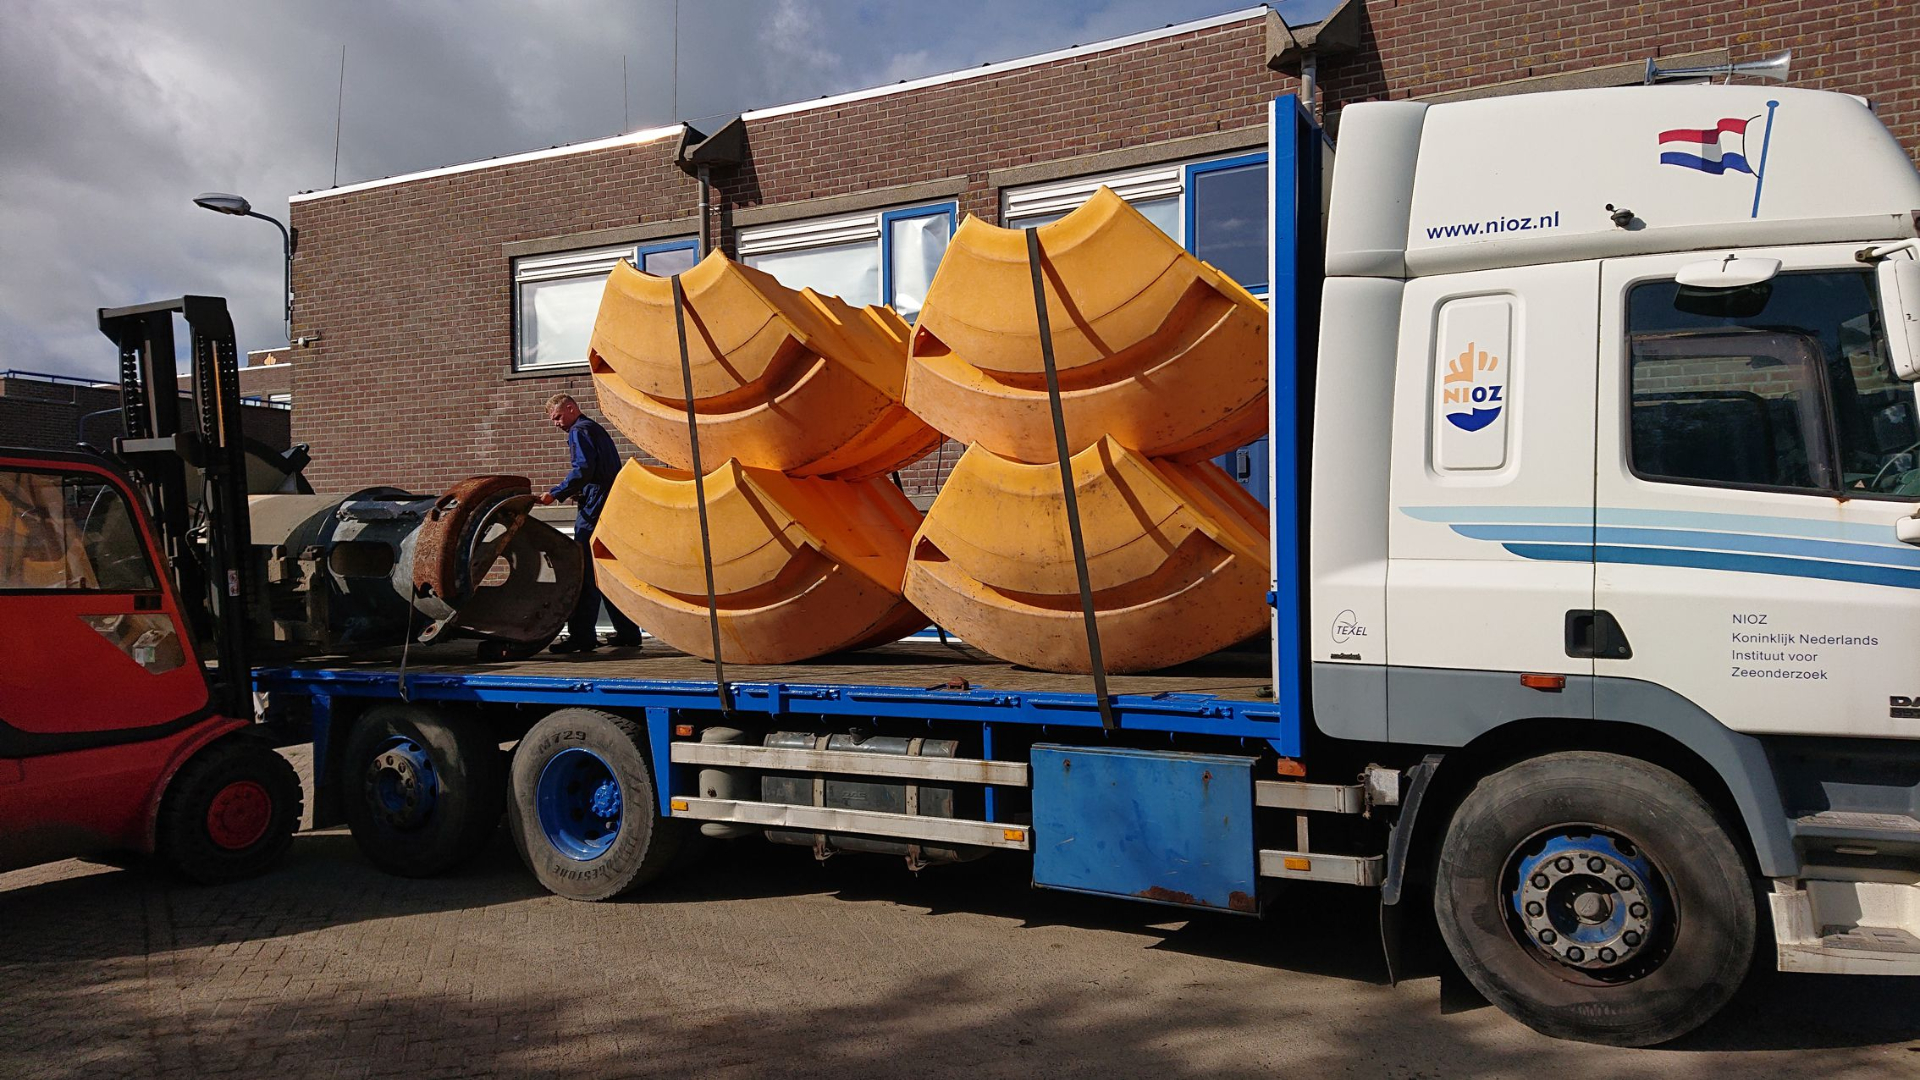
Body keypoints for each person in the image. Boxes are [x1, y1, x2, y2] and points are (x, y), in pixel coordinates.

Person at [537, 393, 643, 653]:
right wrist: (582, 491)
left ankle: (582, 637)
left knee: (584, 571)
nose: (556, 423)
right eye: (553, 420)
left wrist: (557, 492)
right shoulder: (595, 429)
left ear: (571, 409)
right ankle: (629, 632)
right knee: (607, 571)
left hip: (594, 509)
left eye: (558, 417)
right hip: (610, 504)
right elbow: (601, 471)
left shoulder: (579, 431)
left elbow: (583, 469)